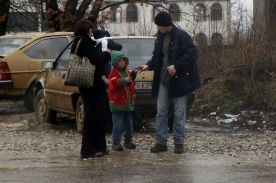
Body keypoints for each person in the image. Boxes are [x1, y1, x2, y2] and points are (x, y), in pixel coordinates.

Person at [136, 11, 200, 154]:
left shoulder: (182, 36)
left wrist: (177, 66)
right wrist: (148, 65)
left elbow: (192, 54)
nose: (158, 28)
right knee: (161, 112)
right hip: (162, 80)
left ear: (166, 24)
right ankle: (161, 142)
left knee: (179, 112)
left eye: (159, 26)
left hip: (180, 81)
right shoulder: (159, 37)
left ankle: (179, 142)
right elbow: (157, 57)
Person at [71, 18, 111, 160]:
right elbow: (98, 59)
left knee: (97, 114)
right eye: (90, 29)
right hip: (91, 84)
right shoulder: (85, 42)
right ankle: (89, 149)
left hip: (88, 83)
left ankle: (99, 147)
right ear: (85, 30)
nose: (91, 32)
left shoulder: (78, 41)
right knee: (93, 115)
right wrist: (107, 53)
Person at [107, 51, 137, 151]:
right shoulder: (113, 73)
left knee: (129, 124)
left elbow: (131, 85)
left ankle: (128, 141)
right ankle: (116, 142)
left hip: (127, 102)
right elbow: (113, 82)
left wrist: (131, 80)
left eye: (123, 61)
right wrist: (124, 80)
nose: (122, 63)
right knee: (118, 124)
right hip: (117, 103)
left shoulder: (128, 72)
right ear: (115, 63)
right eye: (119, 61)